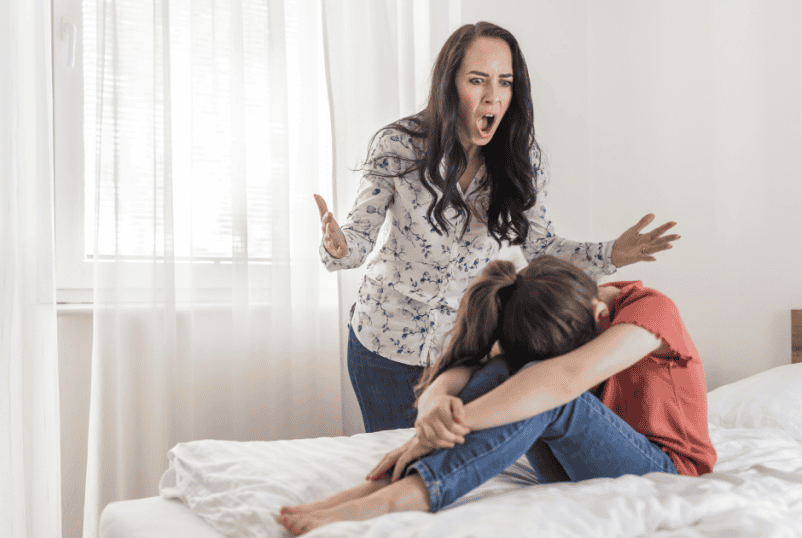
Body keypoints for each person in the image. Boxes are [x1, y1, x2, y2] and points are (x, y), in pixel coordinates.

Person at [315, 21, 680, 433]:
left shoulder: (519, 160)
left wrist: (612, 253)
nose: (493, 96)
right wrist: (340, 245)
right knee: (389, 459)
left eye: (504, 82)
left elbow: (541, 246)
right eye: (477, 80)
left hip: (460, 353)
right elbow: (359, 239)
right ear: (449, 85)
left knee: (443, 458)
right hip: (382, 345)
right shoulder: (398, 146)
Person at [278, 255, 716, 534]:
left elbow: (561, 381)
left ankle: (404, 497)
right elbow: (470, 364)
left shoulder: (652, 311)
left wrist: (449, 427)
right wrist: (431, 412)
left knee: (549, 394)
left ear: (600, 314)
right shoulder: (540, 300)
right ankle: (377, 487)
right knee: (508, 372)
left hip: (667, 468)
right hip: (581, 462)